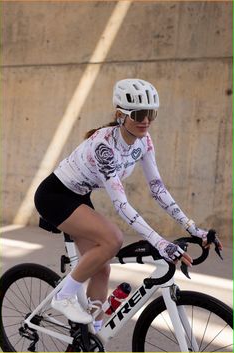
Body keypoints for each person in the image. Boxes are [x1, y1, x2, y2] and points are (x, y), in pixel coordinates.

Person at [34, 78, 222, 329]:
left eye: (151, 114)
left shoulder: (143, 141)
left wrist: (193, 228)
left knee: (101, 269)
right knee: (113, 239)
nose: (146, 120)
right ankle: (63, 295)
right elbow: (121, 204)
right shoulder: (104, 146)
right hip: (55, 196)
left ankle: (93, 332)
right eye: (139, 114)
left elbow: (157, 189)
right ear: (120, 115)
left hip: (79, 196)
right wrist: (160, 242)